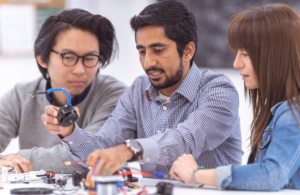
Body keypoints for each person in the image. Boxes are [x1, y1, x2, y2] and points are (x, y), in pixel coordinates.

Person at [42, 1, 242, 178]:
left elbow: (185, 139)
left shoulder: (219, 91)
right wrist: (69, 132)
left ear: (187, 51)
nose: (148, 63)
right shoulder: (138, 90)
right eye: (142, 51)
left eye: (158, 50)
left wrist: (129, 149)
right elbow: (102, 150)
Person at [170, 3, 300, 190]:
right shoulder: (281, 110)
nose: (236, 63)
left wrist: (196, 174)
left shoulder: (292, 113)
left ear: (275, 56)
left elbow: (270, 175)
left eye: (245, 54)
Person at [0, 9, 127, 173]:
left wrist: (17, 158)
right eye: (68, 57)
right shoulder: (21, 95)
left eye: (89, 58)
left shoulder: (115, 95)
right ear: (42, 58)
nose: (80, 70)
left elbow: (91, 154)